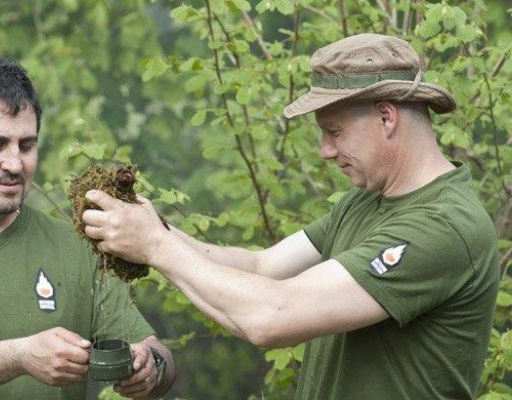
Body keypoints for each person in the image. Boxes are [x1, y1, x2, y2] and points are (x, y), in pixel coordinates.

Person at [81, 33, 500, 399]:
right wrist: (151, 229)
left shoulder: (444, 226)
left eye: (334, 131)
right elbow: (263, 266)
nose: (325, 150)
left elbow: (272, 316)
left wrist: (156, 246)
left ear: (386, 116)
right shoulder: (367, 200)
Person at [0, 57, 175, 399]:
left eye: (26, 145)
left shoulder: (75, 243)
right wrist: (19, 356)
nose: (14, 163)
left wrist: (151, 364)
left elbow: (155, 351)